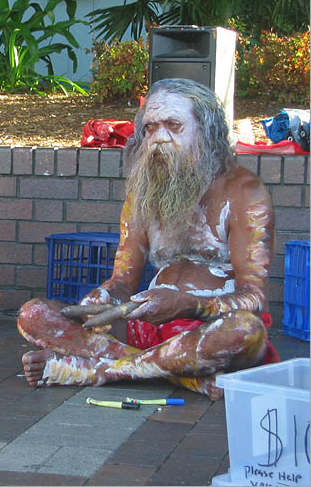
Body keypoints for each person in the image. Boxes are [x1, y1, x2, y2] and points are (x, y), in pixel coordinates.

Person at [18, 78, 279, 400]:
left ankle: (97, 370)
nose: (159, 138)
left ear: (207, 131)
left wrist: (189, 305)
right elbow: (123, 281)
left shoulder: (244, 191)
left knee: (246, 331)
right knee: (33, 315)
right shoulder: (143, 190)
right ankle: (181, 375)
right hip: (146, 327)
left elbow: (254, 298)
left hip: (209, 330)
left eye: (173, 125)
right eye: (150, 128)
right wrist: (103, 297)